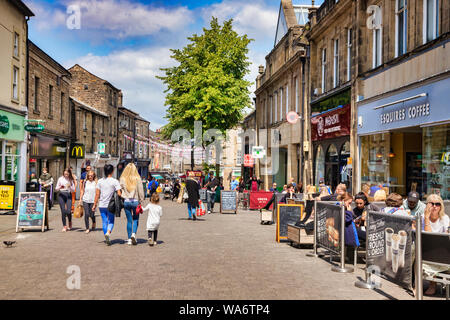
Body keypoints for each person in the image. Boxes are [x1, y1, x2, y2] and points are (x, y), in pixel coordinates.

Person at [418, 194, 450, 295]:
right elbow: (428, 238)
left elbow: (446, 236)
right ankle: (432, 284)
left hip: (442, 248)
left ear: (441, 206)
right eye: (432, 204)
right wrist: (427, 218)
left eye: (437, 204)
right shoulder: (422, 218)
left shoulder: (445, 218)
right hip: (427, 249)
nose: (435, 206)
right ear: (427, 205)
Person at [92, 165, 122, 246]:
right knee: (111, 221)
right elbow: (119, 193)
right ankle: (108, 233)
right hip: (111, 205)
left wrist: (94, 204)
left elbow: (97, 194)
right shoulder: (115, 181)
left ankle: (106, 236)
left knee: (104, 221)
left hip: (102, 205)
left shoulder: (100, 181)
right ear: (112, 171)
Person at [120, 163, 145, 245]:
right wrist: (142, 201)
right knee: (135, 219)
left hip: (126, 201)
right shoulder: (137, 178)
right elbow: (141, 191)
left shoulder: (123, 178)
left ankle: (129, 239)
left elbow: (119, 189)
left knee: (129, 221)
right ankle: (133, 234)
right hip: (135, 201)